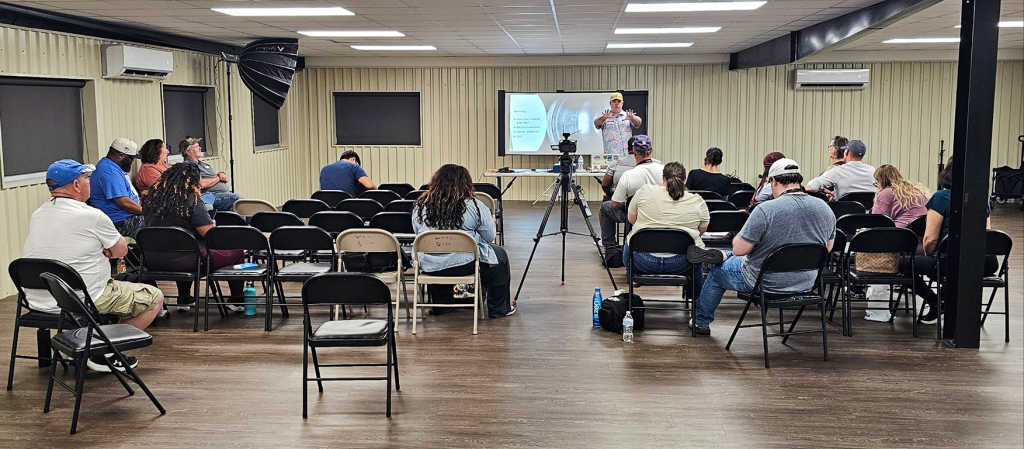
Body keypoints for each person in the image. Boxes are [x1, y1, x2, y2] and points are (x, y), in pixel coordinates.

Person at [23, 159, 164, 372]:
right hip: (81, 299)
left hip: (37, 299)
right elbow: (121, 252)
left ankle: (94, 340)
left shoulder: (38, 214)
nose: (90, 183)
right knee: (155, 298)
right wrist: (105, 248)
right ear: (76, 185)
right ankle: (104, 351)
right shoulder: (92, 215)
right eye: (86, 178)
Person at [686, 158, 835, 335]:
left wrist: (737, 237)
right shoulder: (825, 208)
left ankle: (701, 322)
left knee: (717, 272)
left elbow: (740, 250)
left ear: (774, 181)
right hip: (807, 281)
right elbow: (827, 248)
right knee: (738, 257)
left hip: (765, 281)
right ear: (799, 179)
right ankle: (722, 256)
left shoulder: (766, 210)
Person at [412, 164, 514, 318]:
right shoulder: (475, 205)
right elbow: (489, 236)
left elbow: (418, 232)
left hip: (430, 265)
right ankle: (499, 309)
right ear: (466, 183)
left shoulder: (420, 206)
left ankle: (441, 305)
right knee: (500, 256)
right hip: (465, 264)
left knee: (440, 256)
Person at [142, 163, 246, 312]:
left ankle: (184, 299)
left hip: (154, 260)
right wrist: (212, 224)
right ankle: (237, 300)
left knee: (181, 246)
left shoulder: (150, 200)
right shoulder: (190, 199)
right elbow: (208, 234)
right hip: (188, 261)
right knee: (236, 252)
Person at [914, 158, 997, 325]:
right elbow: (987, 233)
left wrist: (929, 256)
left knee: (905, 264)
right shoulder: (982, 199)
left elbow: (930, 239)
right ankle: (947, 303)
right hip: (986, 263)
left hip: (950, 262)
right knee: (954, 258)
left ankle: (935, 301)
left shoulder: (940, 198)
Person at [624, 162, 710, 295]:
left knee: (631, 238)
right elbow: (701, 230)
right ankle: (697, 299)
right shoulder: (697, 201)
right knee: (696, 251)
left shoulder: (644, 191)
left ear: (663, 178)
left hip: (641, 262)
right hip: (683, 264)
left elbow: (631, 220)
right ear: (685, 179)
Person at [600, 135, 664, 266]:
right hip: (659, 214)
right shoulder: (663, 170)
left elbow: (616, 203)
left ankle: (611, 247)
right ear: (651, 149)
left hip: (633, 217)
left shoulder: (628, 175)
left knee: (605, 207)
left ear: (633, 152)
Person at [90, 138, 144, 238]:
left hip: (126, 216)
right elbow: (124, 202)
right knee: (159, 226)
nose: (132, 160)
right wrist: (147, 211)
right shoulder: (109, 171)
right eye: (131, 157)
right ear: (120, 155)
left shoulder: (112, 167)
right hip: (119, 221)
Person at [180, 137, 242, 212]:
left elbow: (213, 179)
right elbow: (200, 183)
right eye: (196, 147)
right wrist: (218, 177)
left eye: (199, 146)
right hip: (211, 196)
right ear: (188, 152)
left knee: (247, 207)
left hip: (222, 194)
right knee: (238, 199)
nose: (200, 148)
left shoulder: (202, 164)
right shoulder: (189, 165)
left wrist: (220, 176)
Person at [806, 139, 876, 201]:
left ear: (847, 152)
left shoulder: (838, 171)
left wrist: (823, 190)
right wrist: (836, 194)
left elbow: (809, 187)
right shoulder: (872, 170)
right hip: (869, 214)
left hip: (844, 214)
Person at [601, 136, 662, 200]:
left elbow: (605, 185)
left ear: (634, 150)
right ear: (651, 149)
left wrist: (610, 195)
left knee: (606, 205)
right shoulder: (661, 166)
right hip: (654, 204)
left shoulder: (618, 166)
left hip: (626, 204)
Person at [593, 92, 642, 159]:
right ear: (610, 103)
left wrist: (632, 118)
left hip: (626, 155)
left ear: (622, 103)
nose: (616, 103)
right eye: (614, 101)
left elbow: (638, 122)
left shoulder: (628, 115)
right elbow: (596, 123)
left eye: (619, 101)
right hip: (610, 156)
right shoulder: (605, 116)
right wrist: (603, 118)